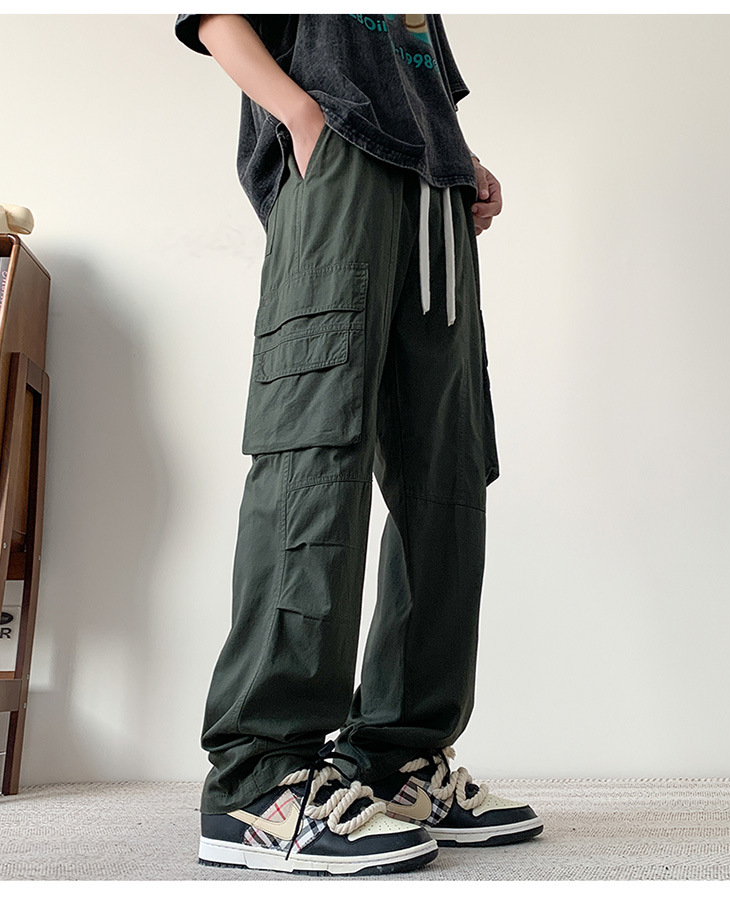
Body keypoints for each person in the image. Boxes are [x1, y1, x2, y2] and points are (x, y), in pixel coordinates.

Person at [174, 13, 543, 877]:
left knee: (447, 473)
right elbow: (217, 18)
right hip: (342, 169)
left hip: (434, 192)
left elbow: (410, 67)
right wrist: (303, 118)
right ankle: (258, 780)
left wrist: (459, 155)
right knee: (315, 450)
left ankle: (397, 758)